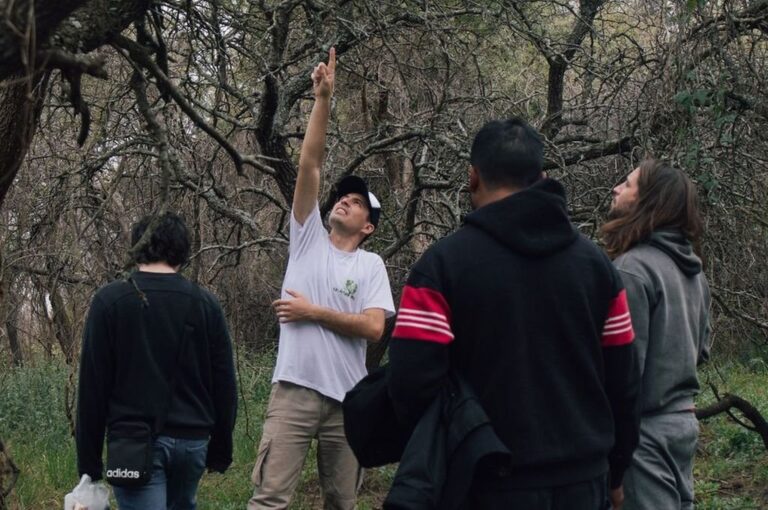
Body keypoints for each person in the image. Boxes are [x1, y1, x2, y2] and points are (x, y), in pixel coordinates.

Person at [387, 118, 641, 510]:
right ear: (541, 176)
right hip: (585, 482)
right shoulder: (598, 268)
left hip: (484, 480)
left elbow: (411, 383)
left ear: (473, 177)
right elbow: (624, 382)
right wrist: (617, 470)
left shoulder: (440, 268)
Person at [247, 48, 395, 510]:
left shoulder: (370, 266)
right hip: (293, 389)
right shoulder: (307, 238)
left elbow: (374, 328)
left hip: (347, 401)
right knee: (269, 498)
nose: (345, 202)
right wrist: (323, 100)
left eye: (357, 202)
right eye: (343, 197)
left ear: (368, 226)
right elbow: (310, 165)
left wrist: (313, 312)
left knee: (342, 504)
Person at [75, 211, 238, 510]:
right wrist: (220, 451)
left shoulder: (110, 301)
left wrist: (89, 467)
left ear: (138, 247)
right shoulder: (205, 304)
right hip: (193, 445)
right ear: (183, 252)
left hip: (134, 444)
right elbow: (225, 384)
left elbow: (91, 389)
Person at [602, 159, 711, 510]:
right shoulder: (695, 272)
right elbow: (701, 351)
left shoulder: (632, 269)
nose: (617, 188)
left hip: (645, 435)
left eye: (628, 184)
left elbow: (624, 372)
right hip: (684, 426)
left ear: (649, 201)